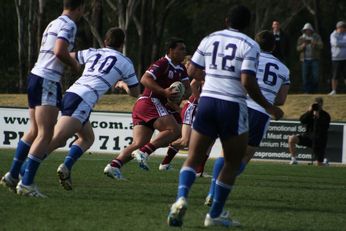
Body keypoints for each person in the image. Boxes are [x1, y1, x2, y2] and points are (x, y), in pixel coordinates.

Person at [167, 5, 283, 228]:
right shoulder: (250, 44)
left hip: (208, 101)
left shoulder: (210, 38)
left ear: (226, 19)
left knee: (194, 156)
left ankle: (181, 198)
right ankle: (215, 214)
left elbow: (191, 72)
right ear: (248, 24)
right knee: (232, 162)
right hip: (232, 105)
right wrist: (269, 107)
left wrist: (210, 77)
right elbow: (248, 81)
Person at [0, 0, 85, 196]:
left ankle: (12, 176)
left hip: (36, 76)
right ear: (80, 8)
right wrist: (75, 65)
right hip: (48, 78)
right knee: (46, 134)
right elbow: (59, 51)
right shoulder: (69, 24)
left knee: (35, 130)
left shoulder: (53, 22)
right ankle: (26, 183)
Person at [44, 27, 138, 192]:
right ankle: (21, 171)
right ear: (122, 44)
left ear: (105, 41)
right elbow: (135, 92)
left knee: (87, 138)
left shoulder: (92, 52)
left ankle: (66, 167)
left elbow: (66, 56)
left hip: (72, 93)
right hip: (83, 98)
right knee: (56, 139)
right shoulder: (125, 62)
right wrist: (122, 84)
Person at [204, 30, 290, 206]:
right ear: (274, 46)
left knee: (225, 153)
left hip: (239, 106)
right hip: (261, 112)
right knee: (243, 158)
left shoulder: (248, 57)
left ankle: (212, 191)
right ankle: (219, 191)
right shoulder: (284, 69)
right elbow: (280, 100)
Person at [103, 37, 191, 179]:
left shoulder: (181, 68)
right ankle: (144, 152)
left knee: (139, 143)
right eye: (181, 49)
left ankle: (114, 166)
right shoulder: (162, 63)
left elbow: (187, 89)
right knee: (174, 130)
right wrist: (164, 92)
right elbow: (145, 79)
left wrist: (179, 96)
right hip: (150, 101)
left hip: (145, 105)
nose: (184, 52)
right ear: (171, 51)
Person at [288, 97, 331, 166]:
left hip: (319, 140)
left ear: (322, 105)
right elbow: (302, 120)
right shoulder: (310, 113)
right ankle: (294, 159)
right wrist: (309, 111)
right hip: (308, 137)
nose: (317, 107)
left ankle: (325, 163)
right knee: (291, 138)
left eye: (319, 105)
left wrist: (318, 117)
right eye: (316, 105)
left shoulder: (326, 115)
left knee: (319, 164)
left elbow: (325, 127)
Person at [297, 23, 323, 93]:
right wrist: (303, 45)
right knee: (305, 76)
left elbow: (321, 46)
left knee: (315, 76)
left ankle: (315, 90)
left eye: (309, 30)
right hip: (304, 60)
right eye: (306, 30)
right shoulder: (301, 38)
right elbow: (298, 48)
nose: (307, 31)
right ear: (304, 30)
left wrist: (314, 43)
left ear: (311, 30)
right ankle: (306, 91)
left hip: (315, 59)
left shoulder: (316, 37)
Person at [329, 21, 346, 95]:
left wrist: (340, 43)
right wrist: (343, 43)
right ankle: (334, 90)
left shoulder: (345, 34)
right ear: (338, 27)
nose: (343, 29)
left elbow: (338, 43)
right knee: (335, 75)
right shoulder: (333, 35)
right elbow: (335, 43)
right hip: (336, 58)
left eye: (344, 27)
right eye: (342, 27)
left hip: (345, 58)